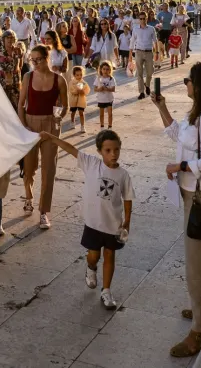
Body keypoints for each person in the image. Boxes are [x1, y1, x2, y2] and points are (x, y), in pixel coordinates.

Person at [152, 63, 201, 358]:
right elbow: (177, 134)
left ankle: (200, 329)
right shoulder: (195, 115)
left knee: (198, 265)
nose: (185, 83)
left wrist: (182, 166)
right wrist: (162, 107)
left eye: (189, 80)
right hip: (193, 194)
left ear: (199, 86)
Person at [43, 129, 133, 310]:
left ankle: (106, 291)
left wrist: (127, 221)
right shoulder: (91, 164)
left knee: (109, 256)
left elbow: (128, 198)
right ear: (100, 151)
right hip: (93, 224)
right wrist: (53, 138)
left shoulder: (123, 175)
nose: (113, 154)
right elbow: (71, 149)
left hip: (113, 225)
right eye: (108, 150)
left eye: (116, 150)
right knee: (94, 255)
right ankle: (91, 268)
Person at [18, 45, 68, 230]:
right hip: (30, 125)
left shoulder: (59, 80)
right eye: (32, 60)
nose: (35, 63)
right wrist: (23, 126)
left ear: (47, 58)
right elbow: (21, 104)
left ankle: (44, 212)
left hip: (50, 126)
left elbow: (65, 106)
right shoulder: (28, 77)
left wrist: (58, 119)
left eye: (38, 59)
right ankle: (29, 197)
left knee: (49, 170)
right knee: (29, 168)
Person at [129, 12, 157, 99]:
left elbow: (155, 41)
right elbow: (132, 41)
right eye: (140, 18)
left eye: (143, 18)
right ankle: (141, 92)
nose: (142, 20)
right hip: (138, 52)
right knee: (139, 73)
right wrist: (130, 54)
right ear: (138, 19)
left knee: (150, 72)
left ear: (146, 18)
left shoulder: (151, 29)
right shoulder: (135, 29)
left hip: (149, 52)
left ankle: (147, 84)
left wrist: (157, 53)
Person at [68, 65, 91, 134]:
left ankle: (82, 126)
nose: (79, 76)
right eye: (77, 75)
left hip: (81, 100)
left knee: (81, 113)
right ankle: (72, 121)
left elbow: (87, 90)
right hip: (73, 100)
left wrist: (83, 92)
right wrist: (76, 91)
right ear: (74, 75)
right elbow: (71, 90)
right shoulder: (71, 82)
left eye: (81, 75)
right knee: (73, 112)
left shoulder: (84, 83)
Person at [94, 61, 116, 129]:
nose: (105, 71)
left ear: (110, 70)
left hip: (109, 98)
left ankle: (110, 126)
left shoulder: (111, 79)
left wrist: (106, 89)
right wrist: (99, 89)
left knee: (110, 114)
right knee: (101, 114)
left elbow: (113, 89)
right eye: (104, 69)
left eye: (107, 69)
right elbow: (95, 89)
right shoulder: (98, 78)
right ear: (101, 69)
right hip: (101, 99)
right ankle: (102, 126)